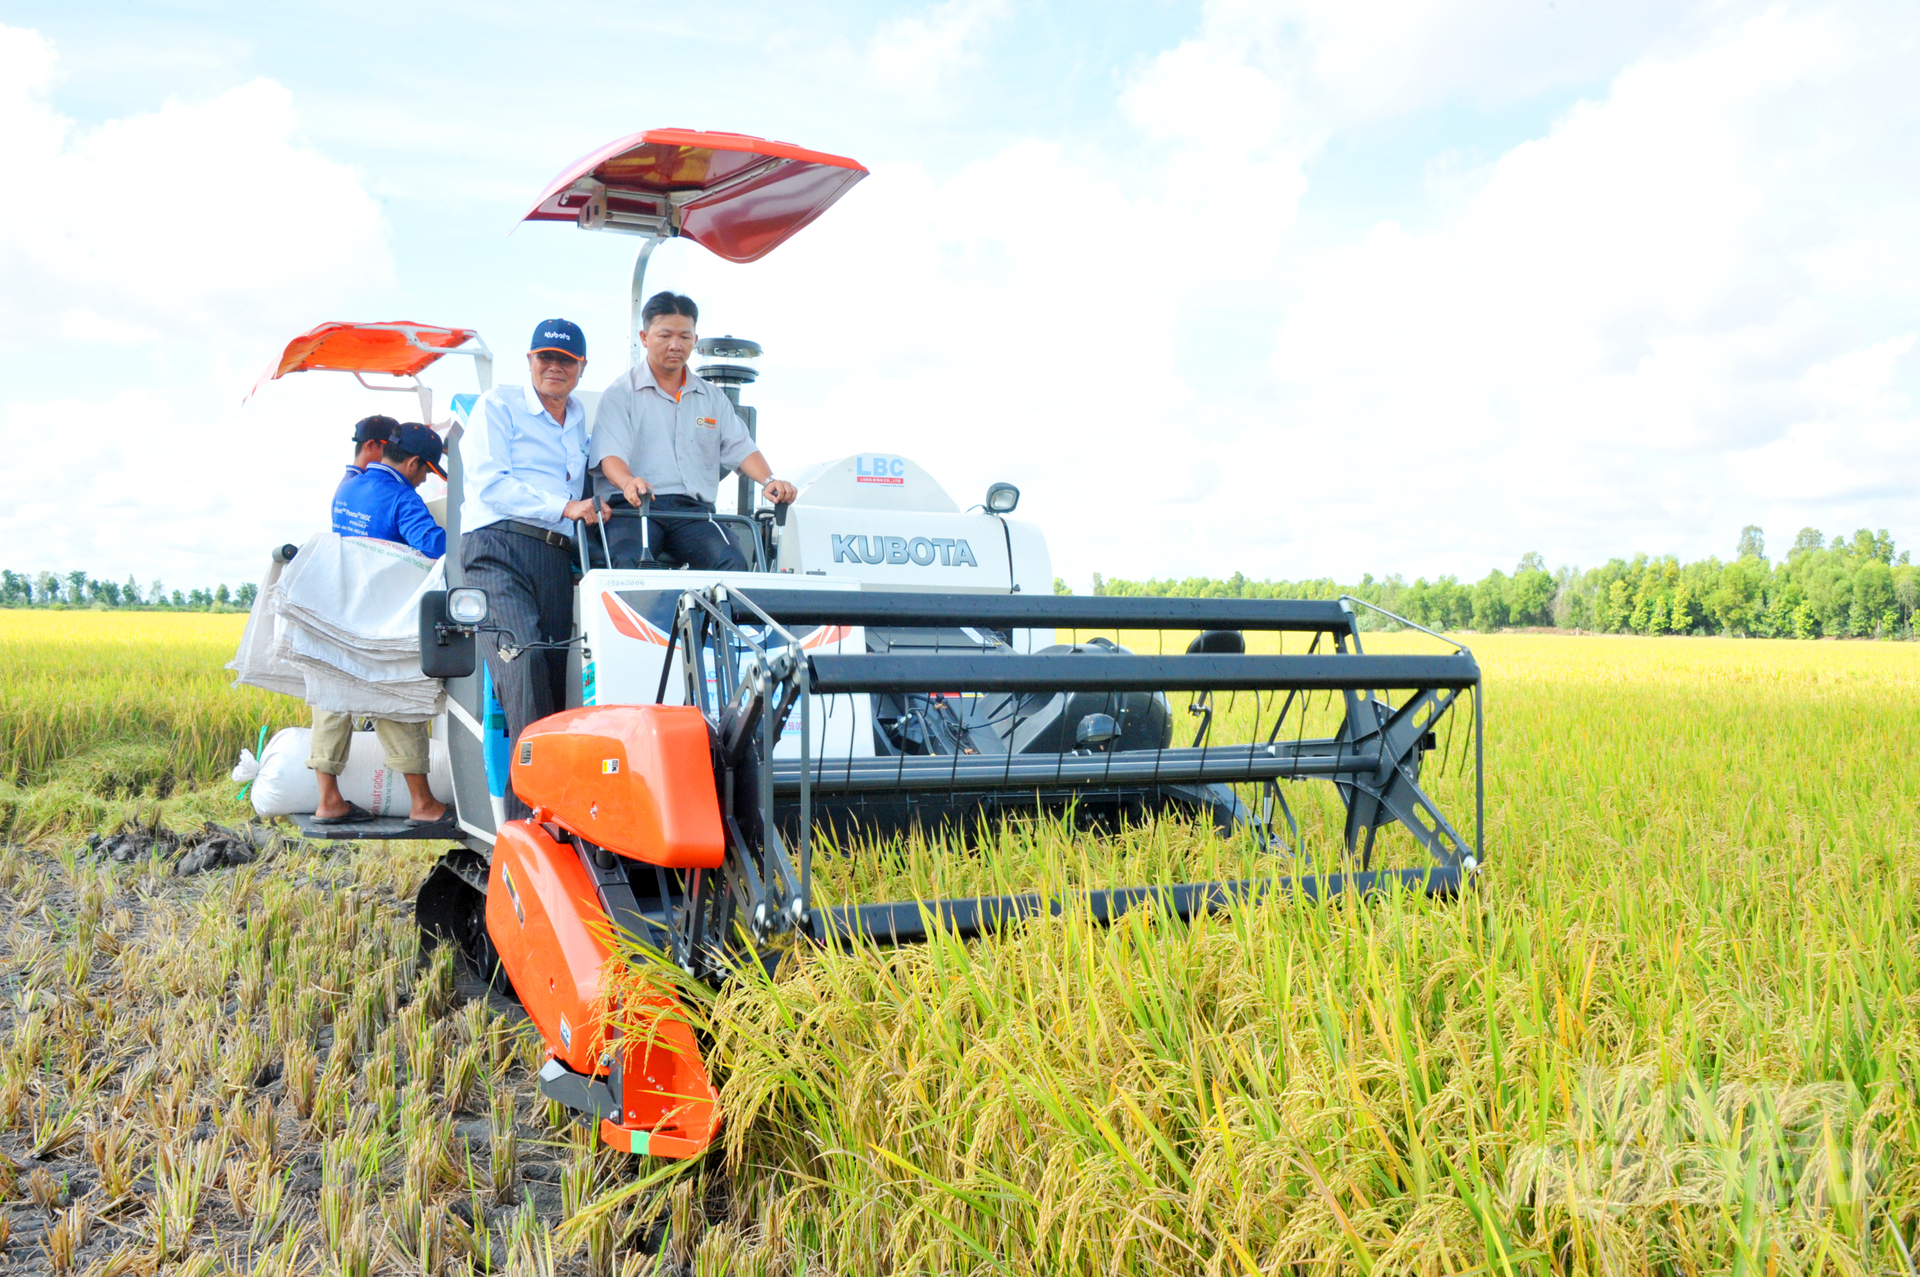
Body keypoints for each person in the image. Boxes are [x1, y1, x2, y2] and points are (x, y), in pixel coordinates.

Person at [458, 319, 605, 820]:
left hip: (555, 558)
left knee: (559, 680)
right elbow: (490, 484)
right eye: (545, 357)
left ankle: (559, 812)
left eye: (566, 360)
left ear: (581, 368)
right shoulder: (496, 406)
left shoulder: (583, 418)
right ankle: (530, 825)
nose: (554, 368)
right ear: (529, 361)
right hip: (498, 548)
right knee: (521, 670)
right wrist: (569, 507)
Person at [591, 292, 798, 570]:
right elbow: (610, 457)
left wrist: (770, 480)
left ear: (695, 341)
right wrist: (629, 482)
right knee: (626, 563)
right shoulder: (620, 394)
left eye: (685, 337)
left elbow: (741, 448)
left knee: (733, 563)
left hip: (693, 513)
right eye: (665, 335)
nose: (675, 345)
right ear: (644, 337)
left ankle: (720, 616)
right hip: (633, 509)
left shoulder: (712, 398)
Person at [310, 422, 451, 825]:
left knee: (330, 699)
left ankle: (329, 801)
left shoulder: (348, 488)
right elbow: (433, 546)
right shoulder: (402, 498)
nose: (423, 481)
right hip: (379, 616)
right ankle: (423, 804)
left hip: (338, 610)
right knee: (398, 701)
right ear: (411, 463)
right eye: (425, 472)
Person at [339, 414, 400, 502]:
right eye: (390, 448)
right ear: (370, 445)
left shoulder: (346, 486)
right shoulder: (365, 489)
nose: (396, 455)